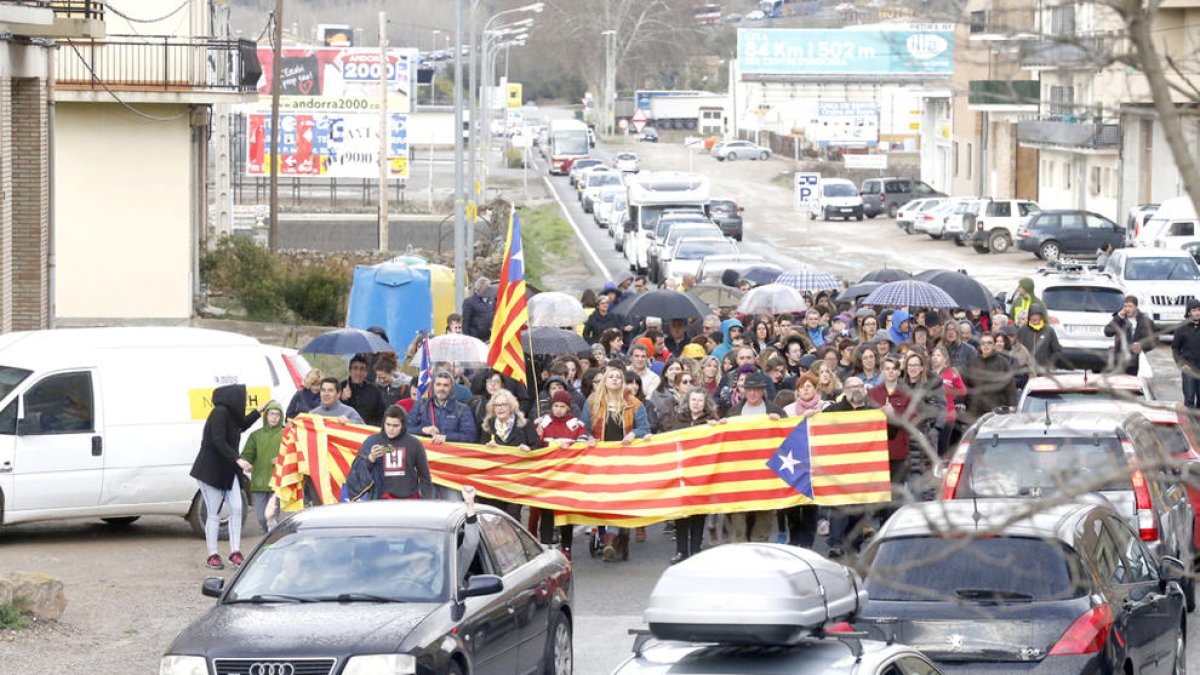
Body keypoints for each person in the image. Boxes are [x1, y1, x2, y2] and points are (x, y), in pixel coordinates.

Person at [190, 384, 271, 570]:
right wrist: (238, 459)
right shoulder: (219, 412)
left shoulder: (232, 415)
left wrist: (260, 410)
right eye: (245, 397)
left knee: (237, 508)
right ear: (235, 397)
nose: (245, 400)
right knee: (214, 513)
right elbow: (218, 440)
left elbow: (242, 425)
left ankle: (235, 552)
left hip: (228, 471)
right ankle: (212, 554)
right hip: (210, 471)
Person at [580, 365, 652, 562]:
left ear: (622, 382)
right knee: (604, 499)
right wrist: (588, 437)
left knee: (620, 499)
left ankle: (611, 541)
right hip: (600, 461)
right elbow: (582, 427)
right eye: (610, 377)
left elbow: (645, 427)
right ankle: (612, 539)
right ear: (604, 381)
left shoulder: (634, 403)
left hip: (625, 460)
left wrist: (633, 433)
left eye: (618, 377)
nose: (614, 380)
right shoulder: (593, 402)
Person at [663, 387, 722, 563]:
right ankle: (681, 551)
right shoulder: (677, 420)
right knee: (681, 514)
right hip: (681, 474)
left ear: (706, 403)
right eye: (693, 400)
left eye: (700, 400)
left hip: (702, 475)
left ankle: (696, 550)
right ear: (688, 401)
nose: (696, 403)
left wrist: (717, 427)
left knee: (698, 514)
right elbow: (666, 439)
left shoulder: (711, 422)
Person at [727, 372, 787, 544]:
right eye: (749, 390)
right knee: (738, 512)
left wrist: (780, 422)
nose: (753, 393)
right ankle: (741, 546)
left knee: (764, 513)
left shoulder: (774, 410)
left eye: (757, 390)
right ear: (744, 391)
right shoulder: (734, 412)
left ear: (763, 391)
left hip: (766, 472)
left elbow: (788, 435)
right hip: (740, 473)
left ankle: (759, 546)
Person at [533, 389, 592, 557]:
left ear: (568, 407)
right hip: (546, 474)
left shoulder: (577, 424)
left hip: (567, 476)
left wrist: (570, 445)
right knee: (546, 511)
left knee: (566, 513)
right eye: (556, 405)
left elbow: (581, 445)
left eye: (562, 406)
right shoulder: (541, 422)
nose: (558, 409)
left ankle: (567, 548)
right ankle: (545, 547)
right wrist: (537, 437)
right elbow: (533, 446)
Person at [823, 377, 877, 557]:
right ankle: (836, 543)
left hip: (863, 467)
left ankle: (855, 545)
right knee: (840, 505)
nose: (857, 389)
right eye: (852, 386)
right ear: (845, 390)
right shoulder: (832, 411)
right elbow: (820, 433)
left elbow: (889, 434)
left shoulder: (873, 411)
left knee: (859, 508)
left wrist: (890, 416)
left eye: (860, 386)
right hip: (840, 467)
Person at [343, 406, 433, 501]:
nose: (391, 429)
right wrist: (370, 459)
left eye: (395, 426)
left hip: (409, 500)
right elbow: (356, 473)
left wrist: (425, 500)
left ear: (403, 425)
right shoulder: (372, 441)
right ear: (383, 423)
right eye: (388, 424)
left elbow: (425, 476)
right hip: (381, 499)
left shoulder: (414, 444)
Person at [478, 389, 541, 518]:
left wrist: (529, 450)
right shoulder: (487, 427)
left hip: (516, 481)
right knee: (494, 516)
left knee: (512, 516)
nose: (500, 408)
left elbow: (538, 448)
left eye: (504, 405)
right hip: (494, 482)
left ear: (511, 406)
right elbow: (480, 453)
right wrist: (487, 448)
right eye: (497, 405)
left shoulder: (525, 425)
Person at [868, 356, 916, 516]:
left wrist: (893, 414)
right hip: (877, 451)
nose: (890, 372)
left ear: (898, 372)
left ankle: (893, 522)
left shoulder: (906, 395)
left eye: (893, 369)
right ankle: (881, 523)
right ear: (882, 371)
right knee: (879, 492)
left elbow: (912, 420)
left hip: (898, 451)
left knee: (896, 491)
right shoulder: (873, 393)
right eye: (887, 369)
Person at [240, 400, 285, 532]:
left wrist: (282, 459)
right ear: (266, 416)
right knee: (260, 517)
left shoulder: (286, 434)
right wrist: (245, 462)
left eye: (277, 414)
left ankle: (270, 542)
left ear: (281, 416)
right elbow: (246, 454)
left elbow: (294, 455)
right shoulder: (256, 436)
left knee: (271, 516)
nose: (274, 417)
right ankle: (269, 536)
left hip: (277, 482)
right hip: (259, 482)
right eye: (271, 414)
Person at [409, 370, 478, 447]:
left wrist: (446, 437)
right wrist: (423, 430)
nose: (442, 388)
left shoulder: (462, 409)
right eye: (438, 384)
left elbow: (471, 436)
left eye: (446, 385)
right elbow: (406, 429)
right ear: (433, 386)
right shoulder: (421, 405)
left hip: (449, 456)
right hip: (425, 454)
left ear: (451, 388)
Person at [962, 333, 1016, 424]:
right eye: (983, 343)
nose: (986, 346)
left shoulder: (1003, 363)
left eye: (989, 343)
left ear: (994, 345)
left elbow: (1010, 388)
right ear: (979, 345)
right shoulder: (972, 363)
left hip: (996, 410)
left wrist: (1012, 407)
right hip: (975, 411)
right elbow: (965, 386)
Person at [929, 345, 966, 459]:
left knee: (943, 446)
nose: (935, 358)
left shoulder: (952, 372)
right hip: (932, 415)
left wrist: (950, 391)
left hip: (948, 415)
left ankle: (943, 472)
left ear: (945, 358)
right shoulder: (928, 373)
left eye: (938, 355)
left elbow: (962, 391)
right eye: (933, 355)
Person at [1104, 295, 1155, 376]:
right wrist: (1119, 317)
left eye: (1130, 306)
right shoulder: (1119, 319)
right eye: (1125, 306)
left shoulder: (1146, 322)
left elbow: (1153, 341)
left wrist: (1141, 345)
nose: (1127, 309)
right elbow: (1108, 332)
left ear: (1136, 307)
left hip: (1135, 362)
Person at [340, 355, 386, 426]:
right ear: (350, 370)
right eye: (355, 368)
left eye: (362, 369)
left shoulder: (374, 391)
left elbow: (382, 416)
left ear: (366, 372)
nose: (358, 372)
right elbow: (333, 410)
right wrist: (342, 399)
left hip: (366, 430)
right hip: (344, 429)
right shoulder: (340, 387)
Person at [1015, 303, 1063, 372]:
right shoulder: (1022, 330)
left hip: (1043, 372)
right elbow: (1016, 349)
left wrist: (1049, 364)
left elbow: (1057, 351)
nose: (1034, 318)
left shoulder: (1049, 331)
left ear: (1041, 316)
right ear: (1029, 317)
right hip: (1026, 372)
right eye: (1032, 315)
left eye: (1037, 315)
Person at [1173, 299, 1200, 408]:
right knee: (1189, 398)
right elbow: (1175, 348)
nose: (1197, 312)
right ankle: (1189, 423)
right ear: (1189, 312)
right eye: (1194, 310)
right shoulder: (1181, 328)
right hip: (1188, 366)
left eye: (1199, 309)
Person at [461, 277, 495, 342]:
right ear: (480, 287)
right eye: (487, 286)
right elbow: (465, 322)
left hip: (489, 337)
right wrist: (467, 339)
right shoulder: (469, 302)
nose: (490, 288)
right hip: (475, 338)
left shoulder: (492, 300)